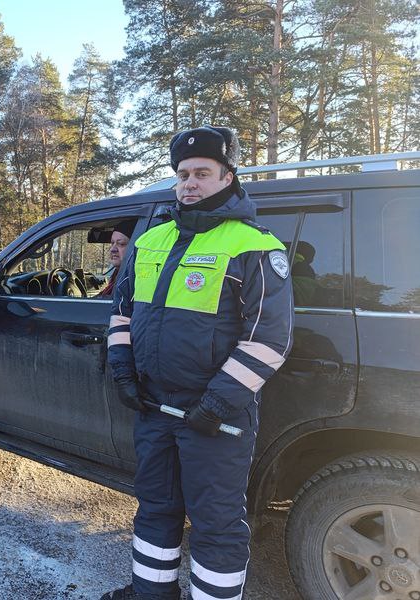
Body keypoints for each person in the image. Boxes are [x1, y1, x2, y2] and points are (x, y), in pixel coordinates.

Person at [103, 127, 294, 600]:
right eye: (183, 174)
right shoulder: (151, 240)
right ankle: (152, 594)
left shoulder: (254, 245)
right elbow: (122, 313)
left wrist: (215, 405)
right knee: (155, 509)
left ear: (227, 176)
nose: (190, 182)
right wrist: (124, 373)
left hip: (215, 418)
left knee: (216, 523)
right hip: (154, 407)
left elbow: (269, 340)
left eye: (202, 173)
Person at [98, 221, 135, 297]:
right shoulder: (117, 275)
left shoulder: (131, 279)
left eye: (121, 244)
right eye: (112, 243)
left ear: (133, 248)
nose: (113, 249)